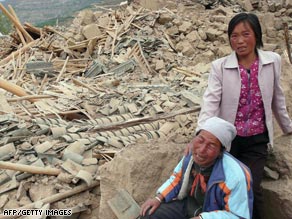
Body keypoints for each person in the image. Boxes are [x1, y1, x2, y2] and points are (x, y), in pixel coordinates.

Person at [196, 12, 292, 219]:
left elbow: (277, 97)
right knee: (222, 185)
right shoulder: (220, 67)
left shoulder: (272, 61)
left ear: (256, 35)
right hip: (228, 140)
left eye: (245, 34)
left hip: (257, 140)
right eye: (234, 36)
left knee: (251, 186)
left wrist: (288, 127)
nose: (239, 41)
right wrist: (201, 133)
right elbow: (211, 101)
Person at [140, 117, 253, 219]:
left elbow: (238, 216)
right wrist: (159, 198)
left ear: (220, 151)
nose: (202, 150)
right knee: (151, 214)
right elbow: (177, 179)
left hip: (214, 214)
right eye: (200, 140)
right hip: (190, 206)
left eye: (211, 145)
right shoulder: (190, 155)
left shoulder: (236, 176)